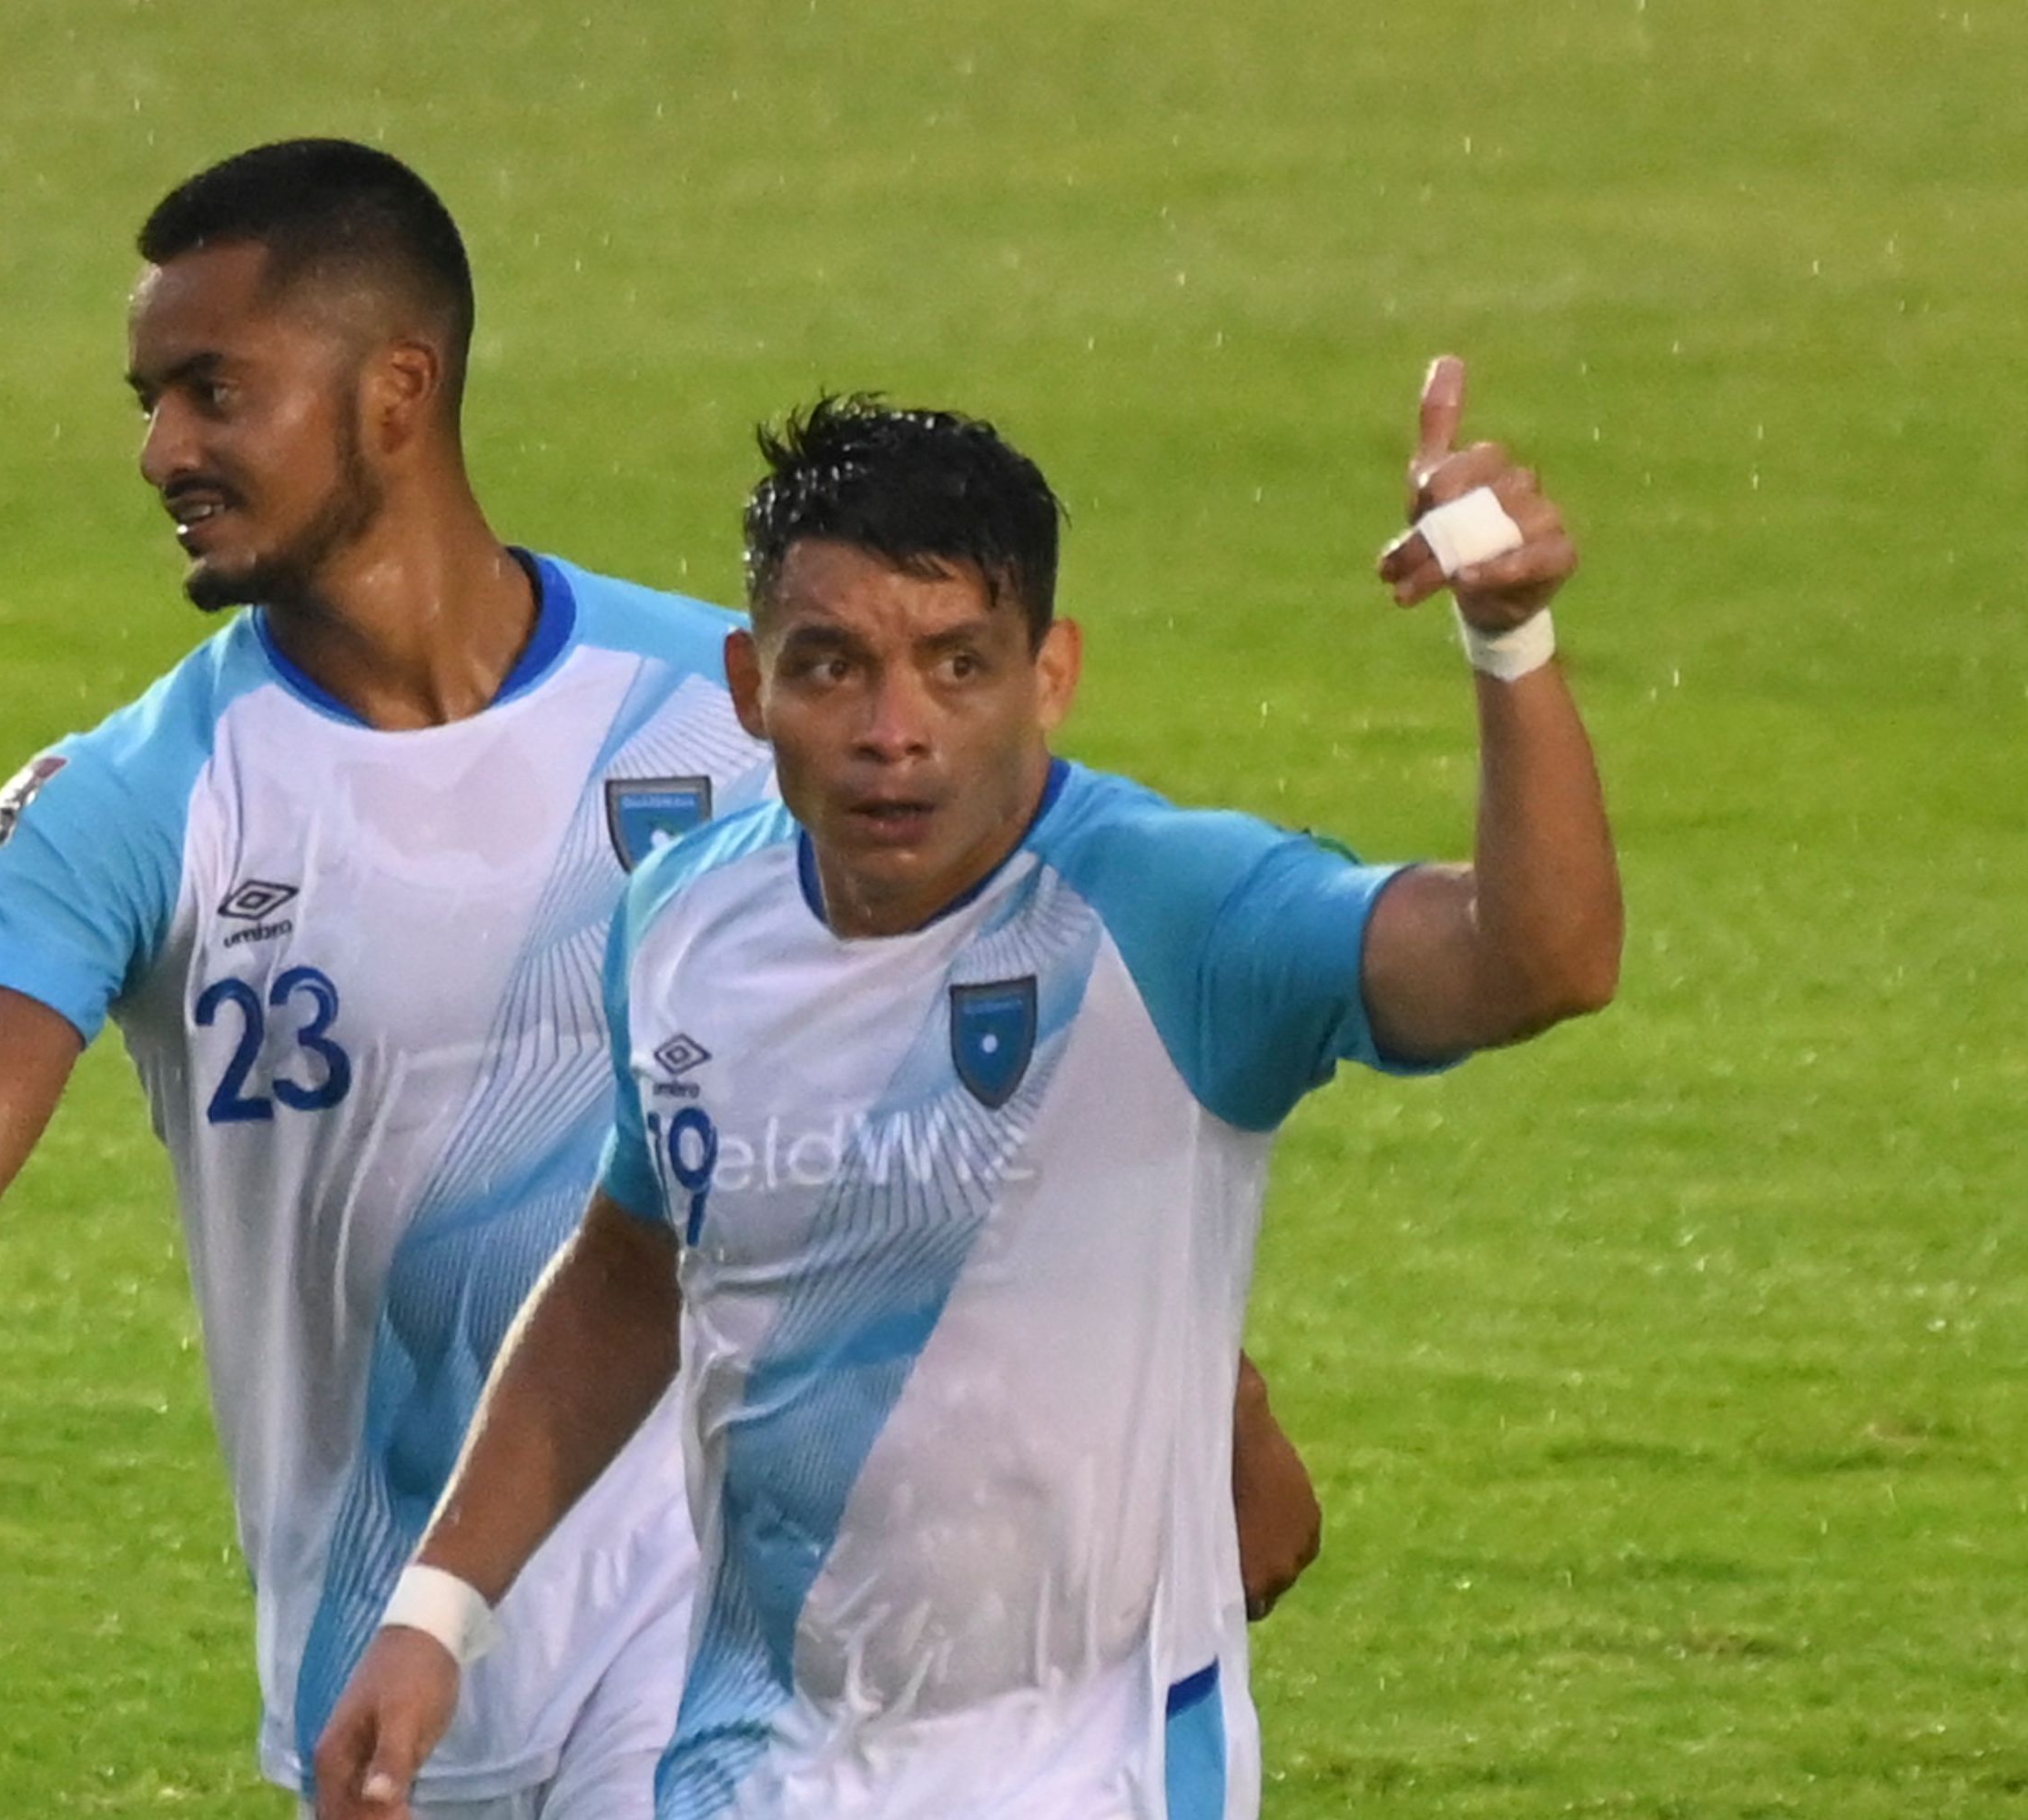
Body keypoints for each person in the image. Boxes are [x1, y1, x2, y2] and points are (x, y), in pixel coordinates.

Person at [0, 140, 1324, 1817]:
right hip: (385, 1648)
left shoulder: (748, 708)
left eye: (213, 392)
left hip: (724, 1639)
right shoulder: (139, 796)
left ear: (397, 390)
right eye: (152, 399)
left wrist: (1214, 1418)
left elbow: (1048, 1044)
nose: (163, 449)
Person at [316, 371, 1620, 1820]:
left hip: (1085, 1778)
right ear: (750, 687)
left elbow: (1541, 958)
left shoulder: (1173, 912)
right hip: (754, 1767)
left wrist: (1510, 639)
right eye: (831, 668)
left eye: (955, 665)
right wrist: (435, 1614)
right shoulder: (685, 915)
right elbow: (633, 1268)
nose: (895, 730)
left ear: (1049, 675)